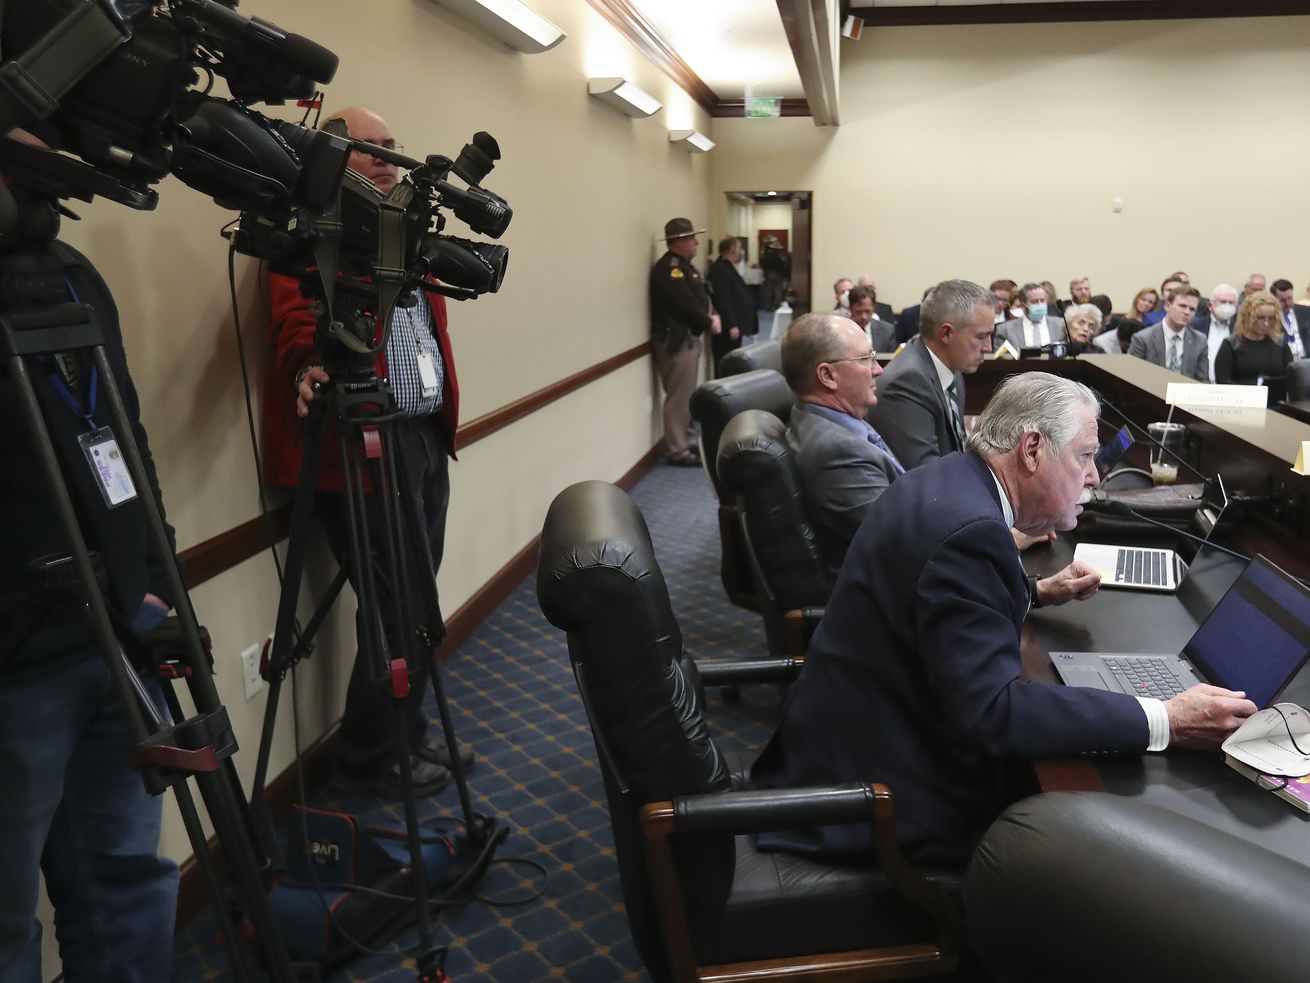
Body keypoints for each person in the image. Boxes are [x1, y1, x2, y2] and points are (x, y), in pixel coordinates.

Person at [751, 371, 1256, 867]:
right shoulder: (971, 534)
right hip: (880, 792)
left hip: (847, 734)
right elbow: (991, 714)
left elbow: (932, 602)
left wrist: (1032, 591)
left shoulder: (947, 478)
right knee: (1100, 846)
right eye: (1084, 456)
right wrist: (1165, 719)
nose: (1096, 475)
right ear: (1032, 449)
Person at [0, 131, 180, 979]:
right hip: (12, 668)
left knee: (127, 884)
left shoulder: (72, 274)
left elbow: (124, 437)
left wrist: (153, 577)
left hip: (113, 641)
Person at [262, 106, 470, 798]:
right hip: (356, 447)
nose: (385, 159)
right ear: (330, 159)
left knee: (415, 602)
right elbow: (295, 319)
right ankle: (372, 758)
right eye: (365, 149)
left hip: (419, 442)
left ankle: (403, 737)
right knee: (399, 606)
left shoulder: (402, 233)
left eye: (389, 147)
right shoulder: (312, 233)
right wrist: (303, 364)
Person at [780, 313, 903, 584]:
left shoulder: (836, 422)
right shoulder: (836, 451)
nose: (878, 369)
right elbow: (903, 539)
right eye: (865, 359)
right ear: (827, 375)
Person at [868, 279, 993, 470]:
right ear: (946, 334)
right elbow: (927, 475)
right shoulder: (907, 381)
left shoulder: (952, 370)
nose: (988, 347)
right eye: (981, 337)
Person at [649, 216, 721, 466]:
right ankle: (677, 449)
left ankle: (686, 438)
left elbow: (699, 297)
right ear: (678, 242)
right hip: (676, 339)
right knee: (678, 396)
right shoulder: (670, 269)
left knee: (687, 393)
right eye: (691, 239)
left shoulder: (686, 266)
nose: (696, 243)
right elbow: (684, 305)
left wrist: (710, 315)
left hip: (688, 337)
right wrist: (708, 321)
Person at [1127, 285, 1209, 380]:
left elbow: (1202, 380)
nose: (1187, 312)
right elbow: (1132, 378)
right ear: (1167, 306)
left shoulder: (1199, 340)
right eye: (1182, 306)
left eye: (1192, 309)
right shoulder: (1143, 339)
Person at [1214, 289, 1293, 386]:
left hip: (1275, 398)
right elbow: (1223, 379)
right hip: (1242, 398)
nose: (1266, 323)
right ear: (1247, 317)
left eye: (1270, 318)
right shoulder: (1232, 344)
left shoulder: (1279, 344)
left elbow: (1291, 377)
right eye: (1260, 318)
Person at [707, 237, 754, 375]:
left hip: (733, 325)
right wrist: (732, 324)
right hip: (727, 328)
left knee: (732, 362)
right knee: (726, 363)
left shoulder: (727, 267)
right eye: (739, 248)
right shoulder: (720, 269)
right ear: (732, 249)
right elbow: (723, 300)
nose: (741, 251)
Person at [995, 281, 1067, 351]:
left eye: (1042, 300)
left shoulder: (1061, 325)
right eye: (1035, 301)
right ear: (1023, 305)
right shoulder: (1005, 330)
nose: (1040, 305)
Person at [1189, 283, 1238, 381]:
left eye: (1231, 303)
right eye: (1223, 302)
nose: (1227, 306)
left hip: (1229, 386)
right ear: (1211, 305)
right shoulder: (1195, 325)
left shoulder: (1239, 329)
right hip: (1199, 383)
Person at [845, 285, 895, 352]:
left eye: (867, 311)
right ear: (850, 309)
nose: (863, 316)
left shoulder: (888, 331)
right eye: (859, 312)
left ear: (874, 308)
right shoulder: (841, 331)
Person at [1271, 278, 1310, 361]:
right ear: (1274, 299)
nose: (1288, 303)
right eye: (1283, 300)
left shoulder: (1306, 312)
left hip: (1307, 359)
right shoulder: (1270, 318)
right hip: (1285, 362)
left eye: (1290, 298)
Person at [760, 236, 790, 310]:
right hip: (778, 274)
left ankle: (768, 305)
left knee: (769, 290)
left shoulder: (765, 255)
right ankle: (776, 305)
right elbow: (783, 266)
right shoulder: (779, 256)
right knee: (778, 290)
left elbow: (763, 264)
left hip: (769, 274)